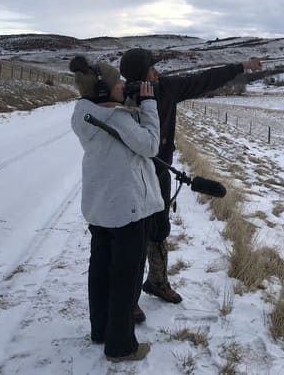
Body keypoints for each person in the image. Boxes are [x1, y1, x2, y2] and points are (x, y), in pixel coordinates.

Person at [119, 48, 262, 308]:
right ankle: (127, 300)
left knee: (159, 230)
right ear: (142, 74)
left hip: (159, 173)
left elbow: (206, 78)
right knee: (133, 236)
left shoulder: (167, 89)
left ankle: (157, 281)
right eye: (152, 69)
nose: (158, 72)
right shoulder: (117, 97)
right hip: (129, 178)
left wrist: (241, 66)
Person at [69, 56, 163, 362]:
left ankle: (101, 331)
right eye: (117, 82)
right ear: (102, 92)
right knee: (127, 277)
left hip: (101, 208)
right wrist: (148, 105)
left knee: (100, 272)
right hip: (129, 210)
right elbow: (150, 146)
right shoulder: (118, 119)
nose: (123, 84)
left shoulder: (85, 115)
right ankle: (122, 346)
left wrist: (125, 103)